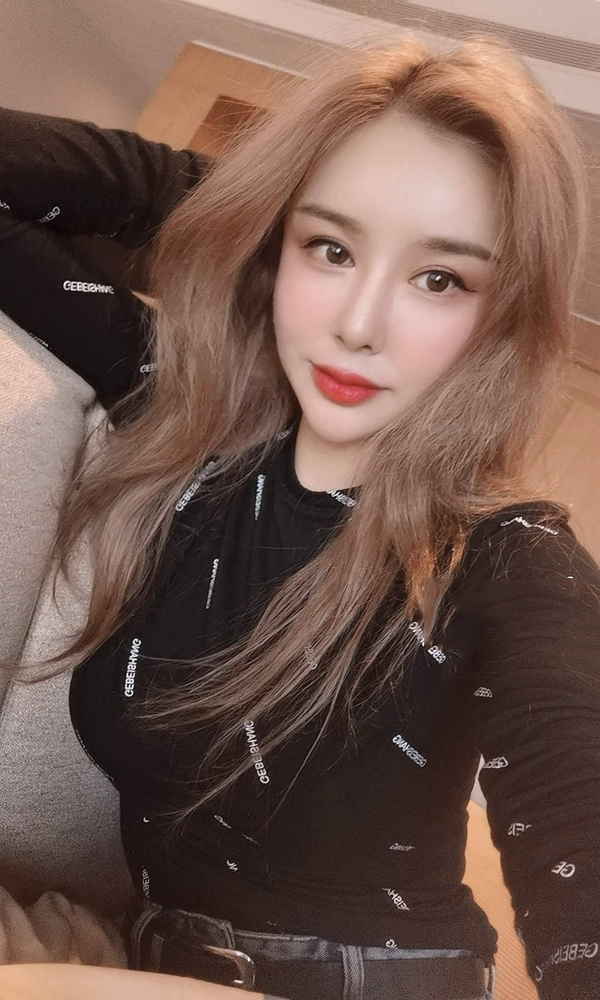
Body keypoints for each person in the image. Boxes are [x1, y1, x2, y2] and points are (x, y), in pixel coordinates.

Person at [0, 31, 598, 1000]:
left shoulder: (507, 555)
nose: (358, 323)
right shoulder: (187, 423)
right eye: (332, 247)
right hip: (149, 951)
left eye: (439, 277)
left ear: (502, 316)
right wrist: (250, 204)